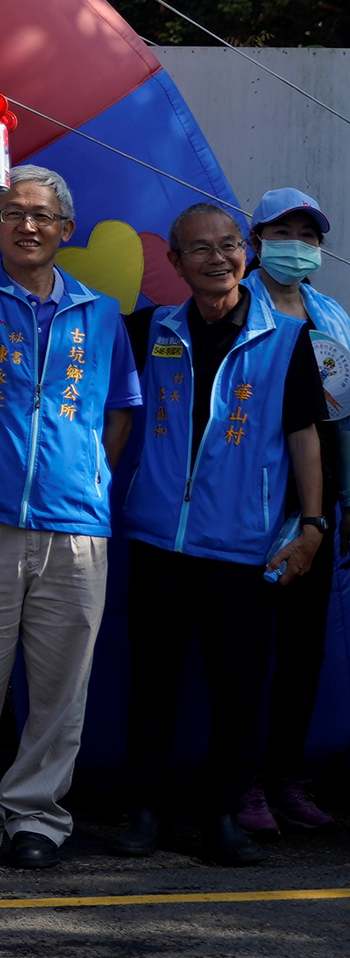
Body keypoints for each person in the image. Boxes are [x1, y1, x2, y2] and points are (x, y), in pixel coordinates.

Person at [0, 121, 138, 869]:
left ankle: (38, 815)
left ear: (66, 229)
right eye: (14, 213)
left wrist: (94, 475)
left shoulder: (101, 314)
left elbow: (118, 409)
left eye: (42, 214)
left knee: (58, 687)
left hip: (77, 529)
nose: (29, 224)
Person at [105, 203, 328, 866]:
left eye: (229, 245)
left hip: (242, 545)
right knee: (152, 678)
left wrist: (312, 525)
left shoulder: (286, 339)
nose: (217, 257)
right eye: (199, 248)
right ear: (173, 262)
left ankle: (224, 814)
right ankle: (144, 808)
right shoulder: (150, 328)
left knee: (239, 685)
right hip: (159, 541)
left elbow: (304, 438)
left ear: (247, 253)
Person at [249, 188, 346, 832]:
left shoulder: (332, 315)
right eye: (285, 232)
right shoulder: (237, 305)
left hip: (320, 503)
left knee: (304, 647)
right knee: (245, 645)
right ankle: (241, 781)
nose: (299, 246)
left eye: (309, 236)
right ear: (257, 238)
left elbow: (341, 414)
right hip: (251, 496)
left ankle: (285, 777)